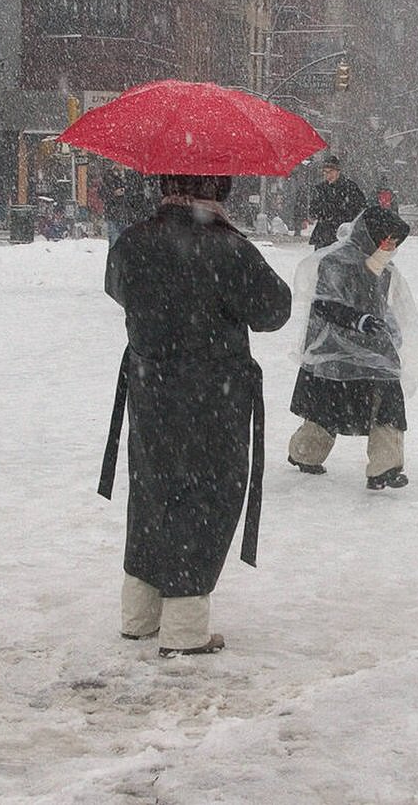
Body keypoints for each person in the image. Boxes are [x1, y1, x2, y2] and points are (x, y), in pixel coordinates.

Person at [102, 173, 291, 657]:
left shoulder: (132, 242)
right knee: (205, 495)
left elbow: (117, 289)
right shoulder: (228, 249)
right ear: (219, 191)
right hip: (214, 395)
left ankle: (139, 613)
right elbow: (274, 310)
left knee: (153, 490)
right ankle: (185, 628)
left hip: (150, 389)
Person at [288, 207, 418, 490]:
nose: (392, 247)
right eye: (388, 240)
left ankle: (385, 466)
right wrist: (357, 320)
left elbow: (384, 307)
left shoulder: (383, 269)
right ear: (372, 236)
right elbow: (324, 304)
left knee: (388, 402)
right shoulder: (336, 262)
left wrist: (389, 331)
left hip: (372, 350)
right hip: (332, 348)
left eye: (396, 243)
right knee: (326, 406)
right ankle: (305, 452)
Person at [307, 155, 366, 249]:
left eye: (331, 172)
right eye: (325, 172)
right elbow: (313, 210)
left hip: (343, 234)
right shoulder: (320, 189)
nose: (328, 175)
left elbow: (360, 209)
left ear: (338, 171)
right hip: (324, 235)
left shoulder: (350, 187)